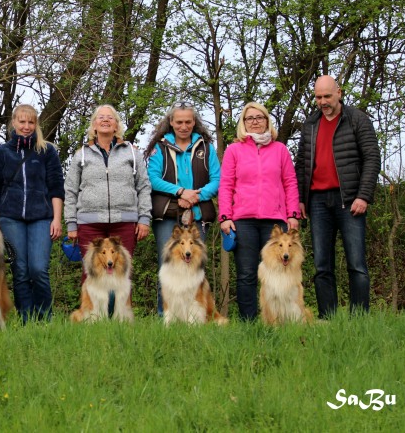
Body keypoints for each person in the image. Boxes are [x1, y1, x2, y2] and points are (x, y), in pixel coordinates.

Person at [296, 75, 381, 318]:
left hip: (350, 201)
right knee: (322, 266)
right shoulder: (310, 124)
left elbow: (372, 158)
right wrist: (301, 199)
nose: (322, 101)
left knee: (356, 264)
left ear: (339, 93)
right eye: (318, 97)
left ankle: (359, 320)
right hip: (318, 202)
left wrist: (363, 196)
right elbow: (302, 163)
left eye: (327, 96)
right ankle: (328, 321)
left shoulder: (357, 119)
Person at [64, 104, 152, 311]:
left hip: (125, 223)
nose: (105, 120)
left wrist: (144, 219)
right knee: (91, 273)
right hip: (89, 223)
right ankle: (91, 317)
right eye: (100, 117)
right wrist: (71, 223)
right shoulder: (81, 155)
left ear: (116, 125)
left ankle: (122, 319)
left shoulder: (131, 152)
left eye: (110, 118)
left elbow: (144, 186)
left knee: (123, 272)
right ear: (94, 125)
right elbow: (69, 190)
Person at [218, 101, 300, 321]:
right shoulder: (234, 150)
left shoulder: (280, 150)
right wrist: (224, 217)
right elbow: (226, 184)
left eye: (259, 117)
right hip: (242, 221)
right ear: (243, 123)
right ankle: (249, 324)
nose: (255, 122)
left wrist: (293, 214)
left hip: (275, 222)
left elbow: (290, 183)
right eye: (250, 118)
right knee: (246, 274)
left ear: (267, 121)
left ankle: (278, 320)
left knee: (277, 274)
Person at [0, 104, 64, 323]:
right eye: (22, 122)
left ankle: (45, 319)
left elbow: (56, 187)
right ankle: (26, 320)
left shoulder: (47, 151)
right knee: (20, 271)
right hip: (10, 218)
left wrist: (57, 219)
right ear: (13, 123)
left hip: (42, 217)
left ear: (36, 124)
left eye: (31, 122)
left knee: (38, 269)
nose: (27, 126)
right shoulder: (1, 153)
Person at [145, 101, 221, 316]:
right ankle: (165, 317)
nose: (184, 126)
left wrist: (196, 196)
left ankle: (196, 318)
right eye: (179, 122)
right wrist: (180, 192)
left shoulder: (206, 148)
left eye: (188, 122)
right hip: (167, 217)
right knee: (167, 268)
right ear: (171, 122)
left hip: (198, 216)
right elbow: (152, 178)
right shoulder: (159, 148)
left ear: (194, 122)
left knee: (196, 270)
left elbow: (217, 179)